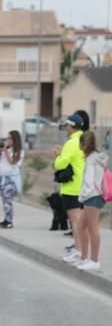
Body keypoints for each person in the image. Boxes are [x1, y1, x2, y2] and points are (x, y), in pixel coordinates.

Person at [75, 131, 108, 271]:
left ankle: (94, 261)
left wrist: (82, 197)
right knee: (81, 226)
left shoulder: (91, 160)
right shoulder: (96, 157)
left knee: (92, 228)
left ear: (83, 143)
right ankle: (84, 257)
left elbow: (89, 183)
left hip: (92, 197)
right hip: (95, 196)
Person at [59, 115, 89, 265]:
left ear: (71, 126)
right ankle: (81, 252)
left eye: (67, 126)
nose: (66, 128)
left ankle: (79, 252)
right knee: (81, 221)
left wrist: (58, 157)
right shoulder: (84, 139)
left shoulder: (72, 143)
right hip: (83, 186)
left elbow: (61, 164)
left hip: (72, 187)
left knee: (75, 222)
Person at [0, 131, 24, 229]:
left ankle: (9, 221)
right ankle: (6, 219)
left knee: (8, 200)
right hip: (2, 177)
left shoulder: (19, 151)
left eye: (9, 138)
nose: (7, 140)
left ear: (14, 140)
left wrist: (6, 151)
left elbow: (12, 162)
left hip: (11, 178)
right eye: (6, 138)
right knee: (4, 200)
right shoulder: (5, 150)